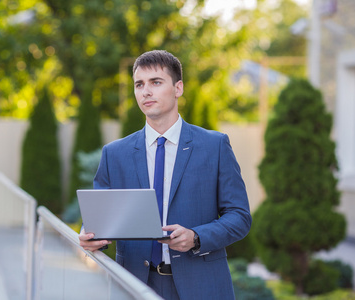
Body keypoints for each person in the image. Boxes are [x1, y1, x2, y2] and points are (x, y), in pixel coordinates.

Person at [79, 50, 251, 300]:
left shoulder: (215, 146)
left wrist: (197, 237)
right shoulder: (115, 154)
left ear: (178, 88)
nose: (146, 91)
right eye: (139, 84)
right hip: (134, 285)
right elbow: (99, 216)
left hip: (202, 286)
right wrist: (89, 233)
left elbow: (240, 217)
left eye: (156, 82)